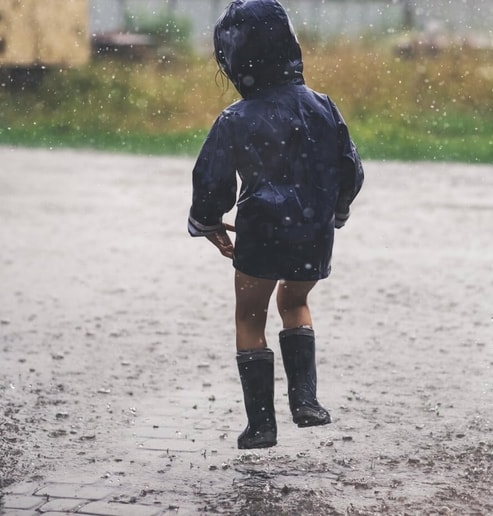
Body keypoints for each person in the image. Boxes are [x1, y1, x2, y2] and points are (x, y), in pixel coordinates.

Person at [187, 0, 364, 449]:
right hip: (312, 232)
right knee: (295, 301)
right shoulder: (322, 106)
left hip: (261, 231)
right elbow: (351, 169)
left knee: (250, 315)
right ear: (290, 47)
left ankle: (262, 425)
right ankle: (305, 399)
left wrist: (207, 221)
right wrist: (336, 211)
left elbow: (211, 179)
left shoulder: (235, 119)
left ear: (233, 61)